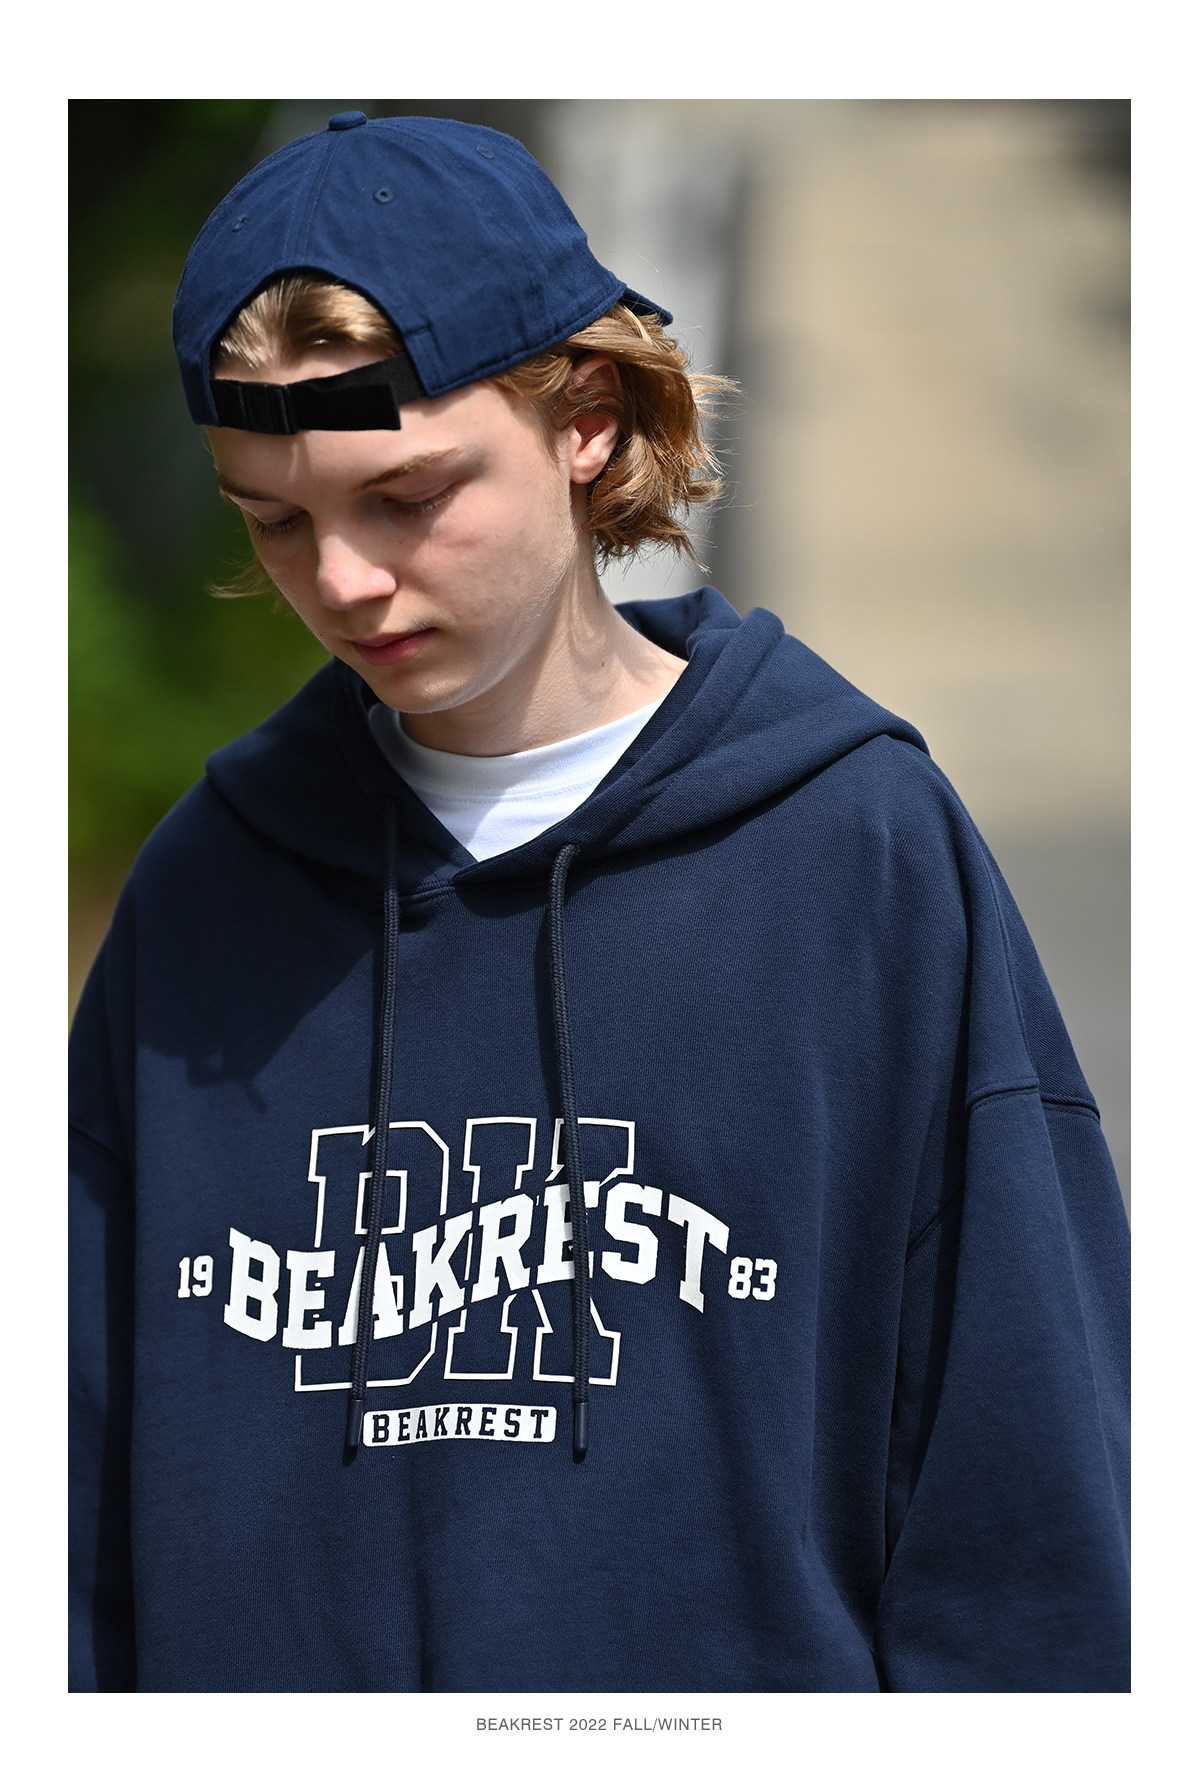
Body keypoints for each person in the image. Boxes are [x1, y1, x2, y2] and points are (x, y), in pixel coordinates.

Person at [69, 111, 1130, 1693]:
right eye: (274, 519)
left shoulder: (857, 853)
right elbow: (68, 1509)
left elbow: (1023, 1496)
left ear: (587, 420)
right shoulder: (208, 893)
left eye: (407, 494)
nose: (342, 580)